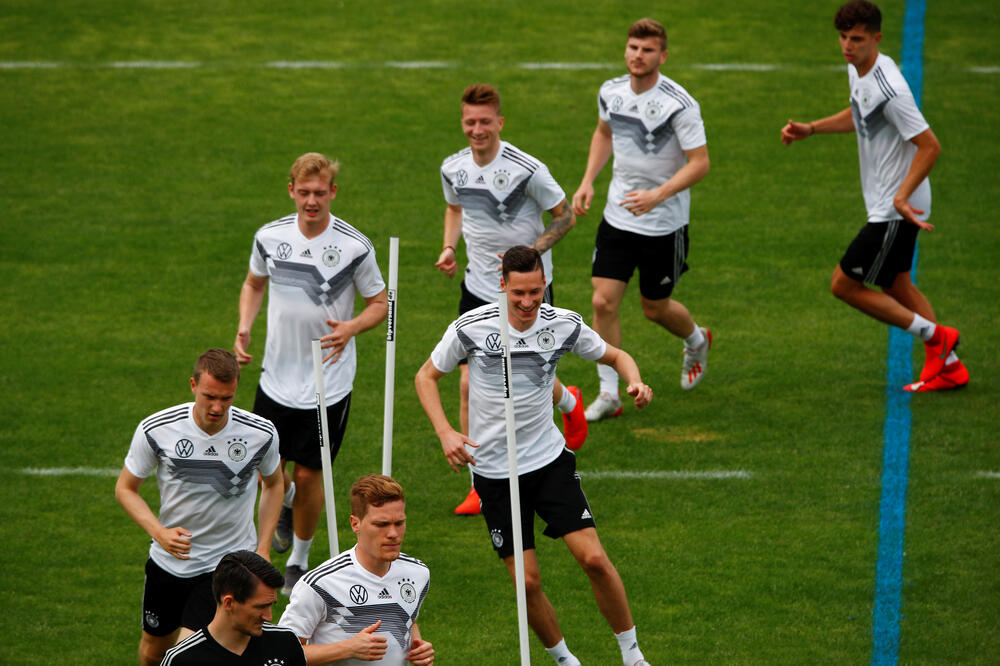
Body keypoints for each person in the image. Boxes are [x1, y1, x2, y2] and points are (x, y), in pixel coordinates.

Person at [415, 246, 653, 666]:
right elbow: (426, 376)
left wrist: (635, 381)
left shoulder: (561, 325)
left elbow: (616, 355)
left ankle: (632, 655)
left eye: (536, 293)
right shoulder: (471, 328)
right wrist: (445, 432)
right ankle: (565, 660)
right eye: (518, 293)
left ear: (545, 287)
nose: (527, 303)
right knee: (527, 582)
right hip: (494, 473)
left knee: (595, 559)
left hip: (547, 462)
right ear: (502, 285)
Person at [780, 0, 966, 391]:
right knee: (897, 285)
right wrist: (811, 128)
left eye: (858, 39)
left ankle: (937, 337)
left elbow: (930, 145)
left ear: (876, 38)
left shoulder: (890, 88)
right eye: (844, 38)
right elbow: (858, 113)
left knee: (843, 285)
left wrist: (900, 197)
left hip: (897, 207)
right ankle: (949, 366)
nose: (848, 46)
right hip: (890, 201)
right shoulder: (860, 71)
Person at [235, 152, 389, 590]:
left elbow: (380, 303)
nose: (311, 201)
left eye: (320, 193)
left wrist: (352, 328)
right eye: (304, 193)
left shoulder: (354, 247)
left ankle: (298, 560)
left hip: (329, 379)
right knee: (272, 472)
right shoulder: (269, 237)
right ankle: (283, 506)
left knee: (308, 474)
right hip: (276, 375)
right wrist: (244, 326)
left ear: (333, 192)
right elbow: (253, 283)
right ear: (291, 190)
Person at [436, 83, 588, 515]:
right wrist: (449, 247)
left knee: (526, 372)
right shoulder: (453, 168)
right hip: (478, 289)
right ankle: (479, 483)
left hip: (526, 292)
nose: (477, 129)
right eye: (470, 122)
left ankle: (569, 402)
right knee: (470, 382)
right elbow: (454, 208)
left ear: (500, 122)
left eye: (485, 121)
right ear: (462, 123)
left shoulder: (527, 168)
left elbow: (566, 214)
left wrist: (530, 256)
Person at [571, 17, 712, 422]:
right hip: (617, 216)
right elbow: (604, 133)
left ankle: (697, 339)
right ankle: (609, 392)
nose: (638, 55)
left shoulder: (679, 104)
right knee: (602, 301)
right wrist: (588, 181)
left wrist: (657, 195)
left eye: (647, 50)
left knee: (655, 308)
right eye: (633, 47)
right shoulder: (611, 92)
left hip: (664, 224)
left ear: (662, 56)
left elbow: (700, 163)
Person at [115, 349, 284, 666]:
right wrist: (160, 533)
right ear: (193, 385)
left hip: (226, 564)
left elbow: (275, 484)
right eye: (209, 396)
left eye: (227, 398)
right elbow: (125, 488)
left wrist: (263, 547)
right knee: (153, 651)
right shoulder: (157, 429)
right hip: (169, 562)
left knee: (194, 654)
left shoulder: (260, 433)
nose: (218, 407)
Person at [279, 474, 433, 665]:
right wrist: (348, 649)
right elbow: (282, 654)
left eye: (399, 523)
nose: (393, 534)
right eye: (381, 524)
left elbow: (408, 618)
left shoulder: (417, 574)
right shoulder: (321, 585)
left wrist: (418, 648)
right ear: (355, 524)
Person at [161, 551, 306, 665]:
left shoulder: (284, 642)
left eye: (270, 605)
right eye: (261, 607)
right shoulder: (182, 660)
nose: (269, 617)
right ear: (229, 603)